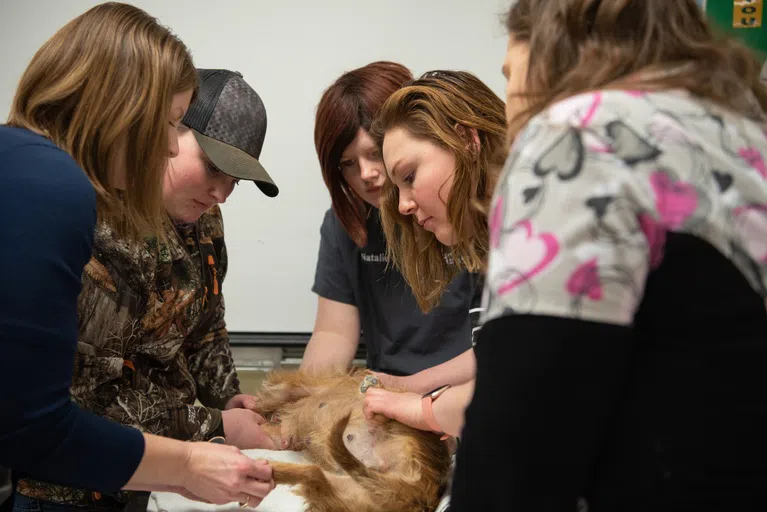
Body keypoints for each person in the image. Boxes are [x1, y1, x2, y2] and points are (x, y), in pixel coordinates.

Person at [451, 0, 767, 510]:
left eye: (510, 73)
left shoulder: (576, 137)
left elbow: (517, 455)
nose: (507, 102)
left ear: (556, 49)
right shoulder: (744, 133)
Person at [0, 3, 273, 511]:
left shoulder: (201, 220)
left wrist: (223, 401)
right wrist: (208, 433)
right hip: (69, 481)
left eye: (235, 181)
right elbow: (66, 404)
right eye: (167, 124)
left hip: (136, 468)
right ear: (124, 108)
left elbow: (205, 329)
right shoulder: (70, 197)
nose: (222, 192)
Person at [300, 61, 482, 385]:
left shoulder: (467, 215)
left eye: (375, 154)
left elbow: (496, 349)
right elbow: (332, 332)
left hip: (464, 389)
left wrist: (410, 390)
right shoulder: (345, 223)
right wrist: (306, 403)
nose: (367, 174)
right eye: (348, 164)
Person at [362, 70, 507, 440]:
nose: (404, 206)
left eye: (408, 177)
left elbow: (521, 387)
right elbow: (497, 356)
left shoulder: (540, 239)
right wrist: (409, 387)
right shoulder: (499, 250)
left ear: (465, 139)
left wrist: (422, 408)